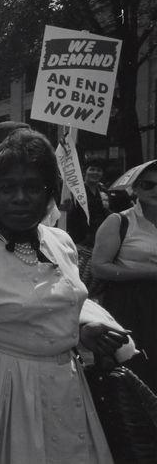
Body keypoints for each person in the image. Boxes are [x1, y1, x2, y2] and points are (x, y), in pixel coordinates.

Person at [0, 129, 125, 464]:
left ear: (48, 193)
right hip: (5, 398)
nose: (20, 197)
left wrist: (79, 335)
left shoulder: (61, 242)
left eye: (33, 187)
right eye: (7, 188)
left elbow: (53, 308)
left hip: (67, 389)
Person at [92, 161, 157, 392]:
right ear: (135, 189)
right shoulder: (119, 221)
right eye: (148, 185)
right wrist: (149, 273)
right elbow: (99, 266)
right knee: (137, 371)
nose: (155, 190)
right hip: (130, 305)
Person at [67, 158, 111, 248]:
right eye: (92, 169)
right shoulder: (76, 191)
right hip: (80, 240)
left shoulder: (104, 191)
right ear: (85, 172)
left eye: (99, 170)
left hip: (100, 238)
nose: (95, 173)